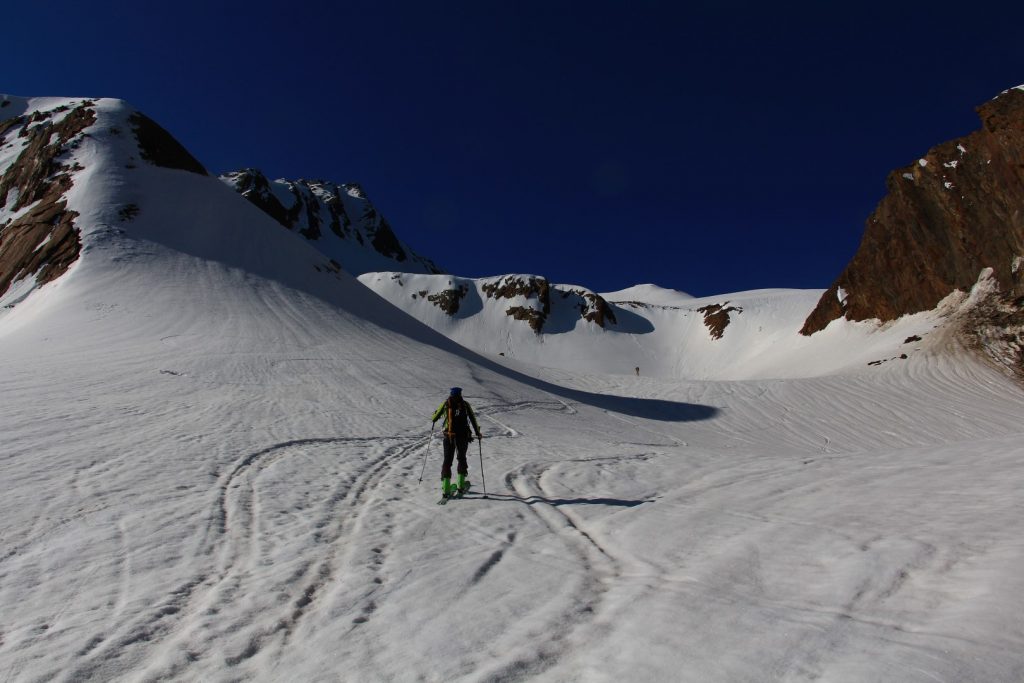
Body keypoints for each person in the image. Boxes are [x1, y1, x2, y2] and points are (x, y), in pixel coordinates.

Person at [431, 387, 482, 497]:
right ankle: (461, 485)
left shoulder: (446, 404)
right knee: (461, 458)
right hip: (463, 436)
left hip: (448, 435)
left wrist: (435, 415)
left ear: (451, 394)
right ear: (460, 394)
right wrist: (477, 432)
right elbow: (472, 418)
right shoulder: (465, 404)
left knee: (447, 460)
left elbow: (434, 418)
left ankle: (446, 488)